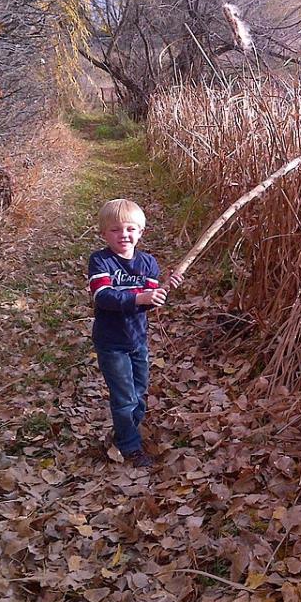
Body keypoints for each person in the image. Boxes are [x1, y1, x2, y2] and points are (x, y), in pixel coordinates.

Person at [88, 199, 181, 467]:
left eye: (130, 229)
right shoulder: (101, 260)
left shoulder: (148, 263)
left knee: (139, 392)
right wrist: (140, 297)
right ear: (104, 233)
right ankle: (129, 445)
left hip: (137, 339)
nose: (124, 235)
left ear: (141, 232)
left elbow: (151, 302)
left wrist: (164, 289)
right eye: (115, 230)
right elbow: (103, 296)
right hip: (111, 342)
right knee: (124, 396)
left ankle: (127, 430)